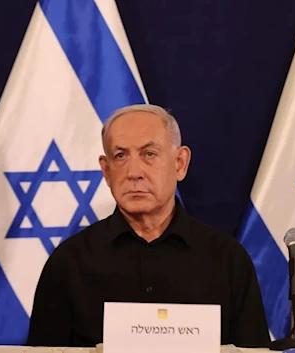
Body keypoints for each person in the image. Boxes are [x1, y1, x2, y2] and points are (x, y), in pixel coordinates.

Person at [26, 104, 270, 348]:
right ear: (106, 170)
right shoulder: (69, 262)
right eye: (120, 156)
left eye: (149, 154)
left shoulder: (228, 260)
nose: (134, 172)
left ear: (180, 163)